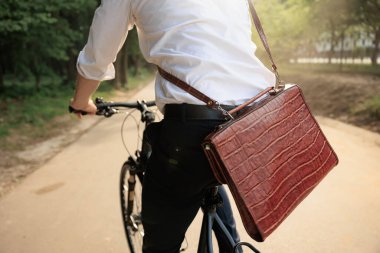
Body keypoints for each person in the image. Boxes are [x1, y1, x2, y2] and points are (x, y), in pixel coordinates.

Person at [69, 0, 275, 252]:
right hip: (253, 117)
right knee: (211, 168)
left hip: (193, 128)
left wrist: (81, 101)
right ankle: (232, 246)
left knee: (161, 242)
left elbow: (97, 55)